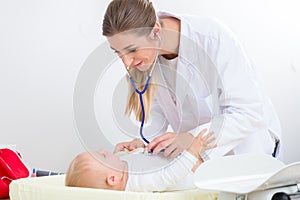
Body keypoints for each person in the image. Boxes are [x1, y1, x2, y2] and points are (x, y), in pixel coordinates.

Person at [102, 0, 282, 161]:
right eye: (117, 52)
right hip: (204, 163)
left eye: (132, 49)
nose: (126, 62)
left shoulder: (213, 39)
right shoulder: (151, 59)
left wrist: (192, 139)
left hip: (248, 154)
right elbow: (160, 113)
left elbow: (248, 113)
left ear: (155, 31)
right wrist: (144, 142)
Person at [65, 129, 216, 192]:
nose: (104, 150)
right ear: (112, 179)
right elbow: (170, 175)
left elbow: (140, 158)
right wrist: (192, 152)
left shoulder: (120, 170)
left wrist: (138, 146)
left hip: (179, 157)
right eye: (102, 156)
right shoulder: (138, 182)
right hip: (191, 170)